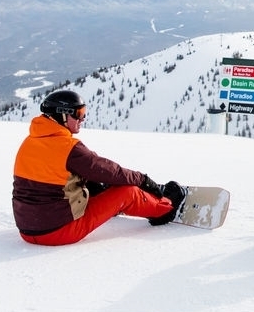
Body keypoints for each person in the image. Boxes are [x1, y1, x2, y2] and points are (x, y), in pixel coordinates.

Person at [12, 89, 187, 246]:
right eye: (79, 113)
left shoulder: (29, 142)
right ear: (62, 115)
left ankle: (103, 196)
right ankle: (165, 209)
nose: (83, 119)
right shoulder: (69, 148)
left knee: (90, 179)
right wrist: (143, 180)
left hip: (27, 231)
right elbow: (112, 172)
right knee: (128, 192)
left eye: (84, 112)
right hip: (58, 232)